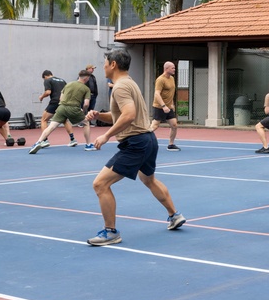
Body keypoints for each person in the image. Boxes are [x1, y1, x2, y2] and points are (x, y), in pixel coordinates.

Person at [84, 48, 186, 246]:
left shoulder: (120, 87)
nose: (103, 67)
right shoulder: (129, 83)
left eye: (105, 63)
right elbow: (122, 114)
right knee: (149, 179)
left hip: (136, 143)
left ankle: (110, 232)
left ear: (113, 64)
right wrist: (99, 115)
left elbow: (129, 115)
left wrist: (106, 135)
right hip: (148, 139)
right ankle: (174, 215)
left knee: (100, 184)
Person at [29, 70, 94, 153]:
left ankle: (38, 142)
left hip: (61, 107)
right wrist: (83, 111)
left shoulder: (69, 84)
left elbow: (61, 98)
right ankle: (88, 145)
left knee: (51, 126)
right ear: (87, 78)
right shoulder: (86, 89)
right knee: (86, 123)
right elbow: (86, 104)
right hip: (74, 108)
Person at [150, 61, 180, 151]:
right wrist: (163, 106)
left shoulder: (172, 78)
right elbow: (157, 94)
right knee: (154, 126)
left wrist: (171, 104)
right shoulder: (160, 79)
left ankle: (171, 144)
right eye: (172, 68)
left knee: (174, 125)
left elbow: (171, 93)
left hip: (169, 107)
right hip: (159, 107)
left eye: (174, 68)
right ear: (166, 69)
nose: (174, 69)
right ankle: (140, 140)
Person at [38, 70, 75, 144]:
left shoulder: (47, 80)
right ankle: (73, 139)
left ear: (45, 76)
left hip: (55, 102)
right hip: (64, 102)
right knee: (64, 120)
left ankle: (44, 140)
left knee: (44, 120)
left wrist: (41, 97)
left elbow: (48, 92)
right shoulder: (62, 80)